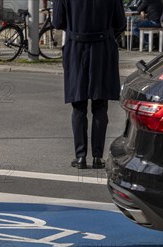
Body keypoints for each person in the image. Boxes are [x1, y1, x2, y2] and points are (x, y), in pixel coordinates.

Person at [52, 0, 126, 169]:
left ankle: (80, 156)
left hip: (76, 48)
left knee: (78, 105)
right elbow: (120, 23)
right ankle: (98, 157)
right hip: (102, 48)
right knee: (100, 105)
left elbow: (57, 21)